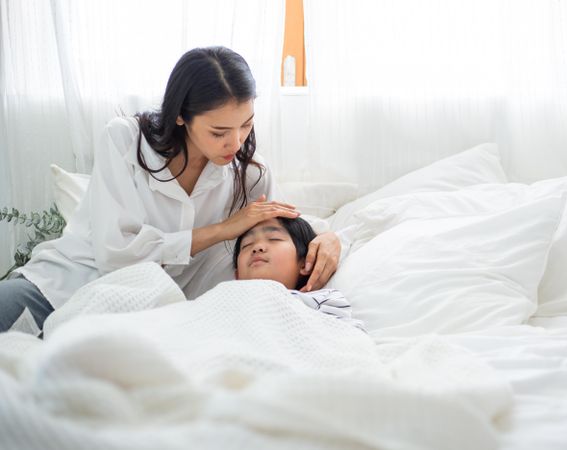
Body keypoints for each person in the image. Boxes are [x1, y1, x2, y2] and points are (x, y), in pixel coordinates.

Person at [0, 46, 342, 334]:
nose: (236, 143)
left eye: (246, 124)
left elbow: (288, 228)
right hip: (63, 289)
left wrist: (330, 239)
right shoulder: (125, 140)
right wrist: (221, 230)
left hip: (153, 319)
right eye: (219, 131)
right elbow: (115, 254)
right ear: (180, 116)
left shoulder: (249, 176)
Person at [233, 216, 363, 330]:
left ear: (306, 262)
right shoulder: (226, 299)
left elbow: (348, 338)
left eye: (274, 239)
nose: (257, 247)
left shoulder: (321, 301)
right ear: (237, 275)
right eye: (247, 245)